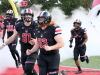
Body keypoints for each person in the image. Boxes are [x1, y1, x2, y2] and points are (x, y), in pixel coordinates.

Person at [0, 8, 38, 75]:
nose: (28, 16)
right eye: (26, 14)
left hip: (33, 49)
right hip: (23, 49)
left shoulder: (36, 25)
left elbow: (43, 36)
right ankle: (34, 72)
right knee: (26, 70)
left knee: (28, 68)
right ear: (23, 16)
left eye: (30, 15)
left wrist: (36, 40)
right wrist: (3, 44)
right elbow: (12, 37)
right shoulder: (19, 25)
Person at [26, 11, 65, 75]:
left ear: (48, 19)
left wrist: (51, 47)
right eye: (39, 18)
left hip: (53, 56)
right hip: (42, 56)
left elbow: (61, 43)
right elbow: (38, 43)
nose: (40, 20)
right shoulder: (37, 29)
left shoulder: (53, 28)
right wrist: (31, 51)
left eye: (42, 18)